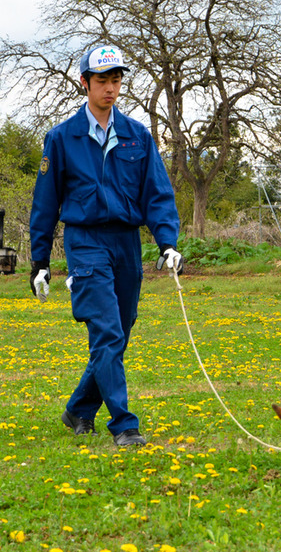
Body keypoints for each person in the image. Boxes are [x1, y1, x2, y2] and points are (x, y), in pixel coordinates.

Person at [29, 45, 183, 446]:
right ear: (85, 83)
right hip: (84, 243)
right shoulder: (62, 137)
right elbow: (45, 202)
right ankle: (125, 426)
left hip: (126, 243)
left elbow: (157, 194)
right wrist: (39, 261)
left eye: (116, 80)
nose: (111, 88)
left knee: (121, 331)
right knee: (107, 333)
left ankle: (80, 408)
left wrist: (167, 242)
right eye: (102, 81)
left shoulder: (137, 136)